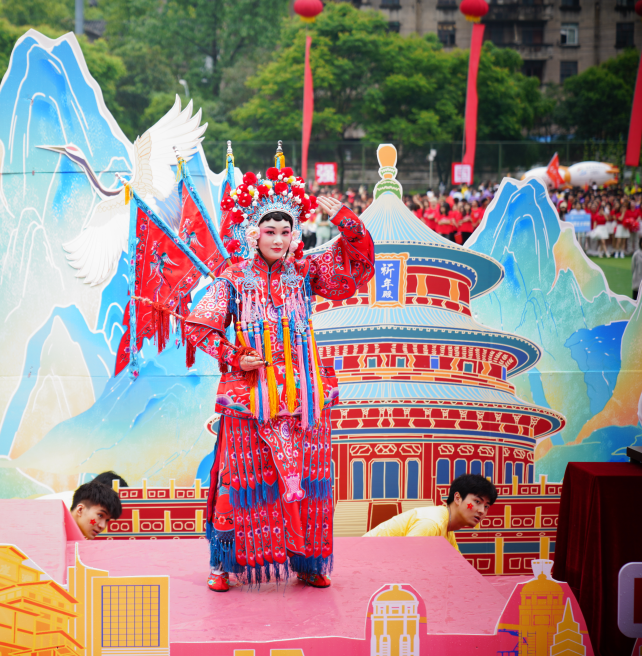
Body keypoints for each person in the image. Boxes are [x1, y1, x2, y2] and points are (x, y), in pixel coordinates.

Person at [184, 166, 375, 591]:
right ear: (253, 233)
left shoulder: (306, 272)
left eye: (284, 232)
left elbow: (358, 265)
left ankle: (308, 562)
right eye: (269, 231)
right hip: (251, 399)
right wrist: (236, 357)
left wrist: (347, 221)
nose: (277, 239)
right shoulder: (234, 279)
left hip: (305, 397)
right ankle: (224, 564)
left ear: (294, 236)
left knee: (309, 482)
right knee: (240, 481)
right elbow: (198, 326)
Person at [363, 474, 497, 550]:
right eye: (477, 502)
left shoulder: (447, 529)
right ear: (457, 498)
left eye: (486, 506)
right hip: (361, 564)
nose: (481, 511)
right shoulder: (431, 523)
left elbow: (458, 569)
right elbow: (406, 566)